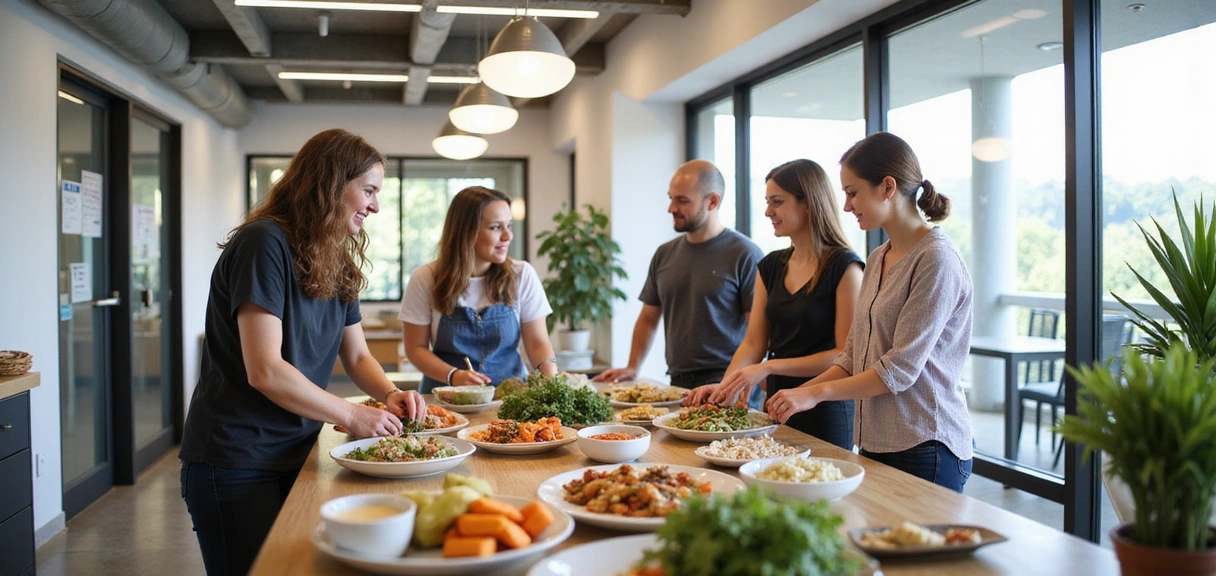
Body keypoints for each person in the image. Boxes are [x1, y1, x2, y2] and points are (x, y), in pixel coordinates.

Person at [179, 129, 427, 575]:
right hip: (236, 457)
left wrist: (390, 393)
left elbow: (357, 358)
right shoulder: (264, 244)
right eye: (368, 190)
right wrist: (353, 416)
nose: (375, 206)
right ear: (331, 183)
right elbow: (266, 370)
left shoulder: (340, 260)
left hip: (298, 449)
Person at [765, 132, 974, 492]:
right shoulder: (878, 257)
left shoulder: (936, 259)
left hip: (927, 445)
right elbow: (853, 355)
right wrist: (798, 395)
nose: (846, 206)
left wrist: (813, 394)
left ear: (887, 187)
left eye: (852, 192)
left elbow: (898, 371)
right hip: (877, 442)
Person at [688, 159, 863, 449]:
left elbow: (845, 355)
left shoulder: (845, 268)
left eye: (777, 202)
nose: (769, 212)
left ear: (808, 204)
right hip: (777, 409)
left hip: (826, 411)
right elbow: (753, 343)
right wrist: (726, 387)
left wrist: (769, 367)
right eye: (768, 202)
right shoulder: (770, 265)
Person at [593, 160, 765, 407]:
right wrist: (633, 366)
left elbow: (757, 333)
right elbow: (648, 318)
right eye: (671, 198)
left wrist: (731, 385)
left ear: (713, 201)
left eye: (682, 200)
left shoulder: (745, 254)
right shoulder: (664, 254)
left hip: (727, 383)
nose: (671, 208)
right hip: (677, 383)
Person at [400, 186, 557, 393]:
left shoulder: (522, 274)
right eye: (495, 227)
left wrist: (552, 385)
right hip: (445, 397)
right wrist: (453, 376)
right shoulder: (425, 278)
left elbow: (538, 343)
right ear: (466, 232)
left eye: (509, 226)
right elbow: (415, 350)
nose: (507, 236)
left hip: (510, 397)